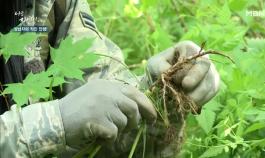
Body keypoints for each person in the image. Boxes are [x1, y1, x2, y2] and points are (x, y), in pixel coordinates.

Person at [0, 0, 220, 157]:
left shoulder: (51, 5)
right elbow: (66, 121)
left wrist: (162, 90)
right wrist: (54, 123)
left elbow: (108, 125)